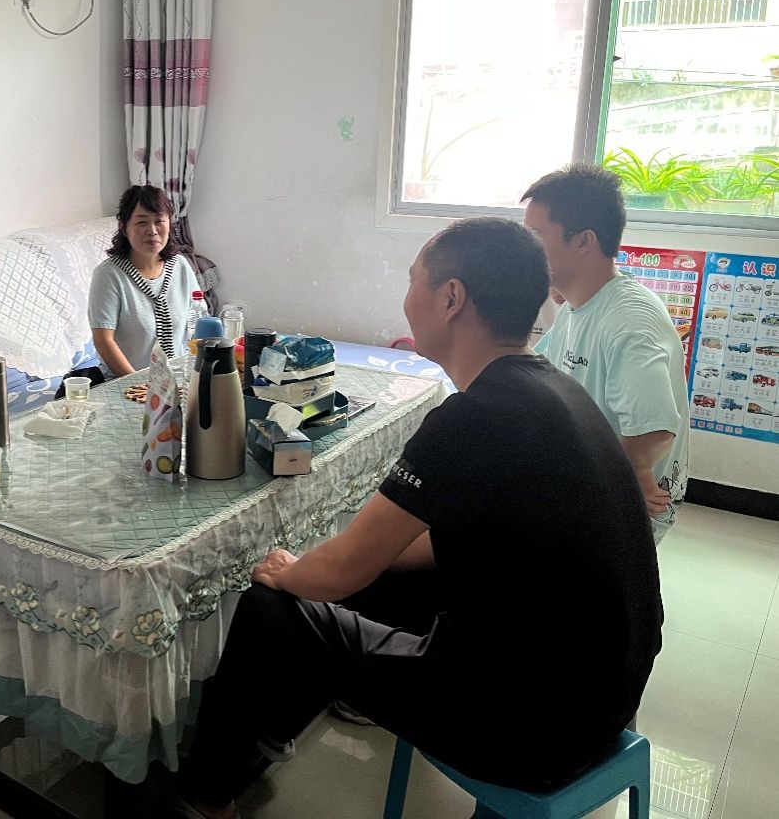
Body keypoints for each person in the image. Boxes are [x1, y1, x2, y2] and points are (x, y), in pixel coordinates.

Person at [172, 218, 663, 819]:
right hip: (604, 700)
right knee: (392, 576)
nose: (407, 299)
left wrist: (290, 570)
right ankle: (283, 724)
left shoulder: (473, 417)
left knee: (271, 606)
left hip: (528, 734)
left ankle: (205, 794)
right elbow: (436, 540)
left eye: (413, 281)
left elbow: (340, 570)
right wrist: (343, 568)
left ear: (452, 298)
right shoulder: (555, 390)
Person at [522, 163, 691, 544]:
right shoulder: (580, 301)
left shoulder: (629, 322)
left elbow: (654, 430)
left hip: (625, 501)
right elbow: (541, 372)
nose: (525, 248)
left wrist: (636, 475)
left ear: (584, 241)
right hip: (597, 477)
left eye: (535, 236)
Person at [87, 185, 200, 377]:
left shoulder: (179, 265)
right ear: (124, 227)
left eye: (159, 221)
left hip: (178, 378)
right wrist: (137, 384)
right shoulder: (108, 275)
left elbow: (199, 321)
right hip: (126, 382)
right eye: (141, 222)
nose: (152, 231)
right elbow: (103, 341)